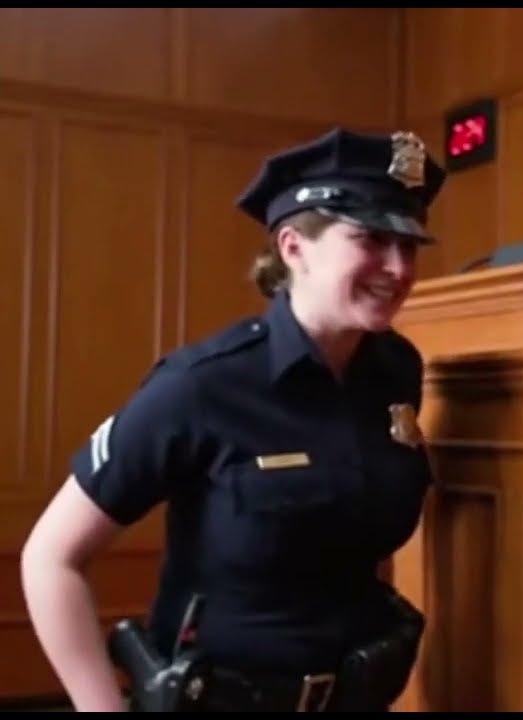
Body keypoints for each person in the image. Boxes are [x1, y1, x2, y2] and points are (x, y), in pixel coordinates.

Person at [19, 126, 447, 712]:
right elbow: (50, 558)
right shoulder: (202, 385)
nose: (398, 268)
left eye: (410, 245)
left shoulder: (396, 371)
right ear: (293, 247)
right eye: (371, 238)